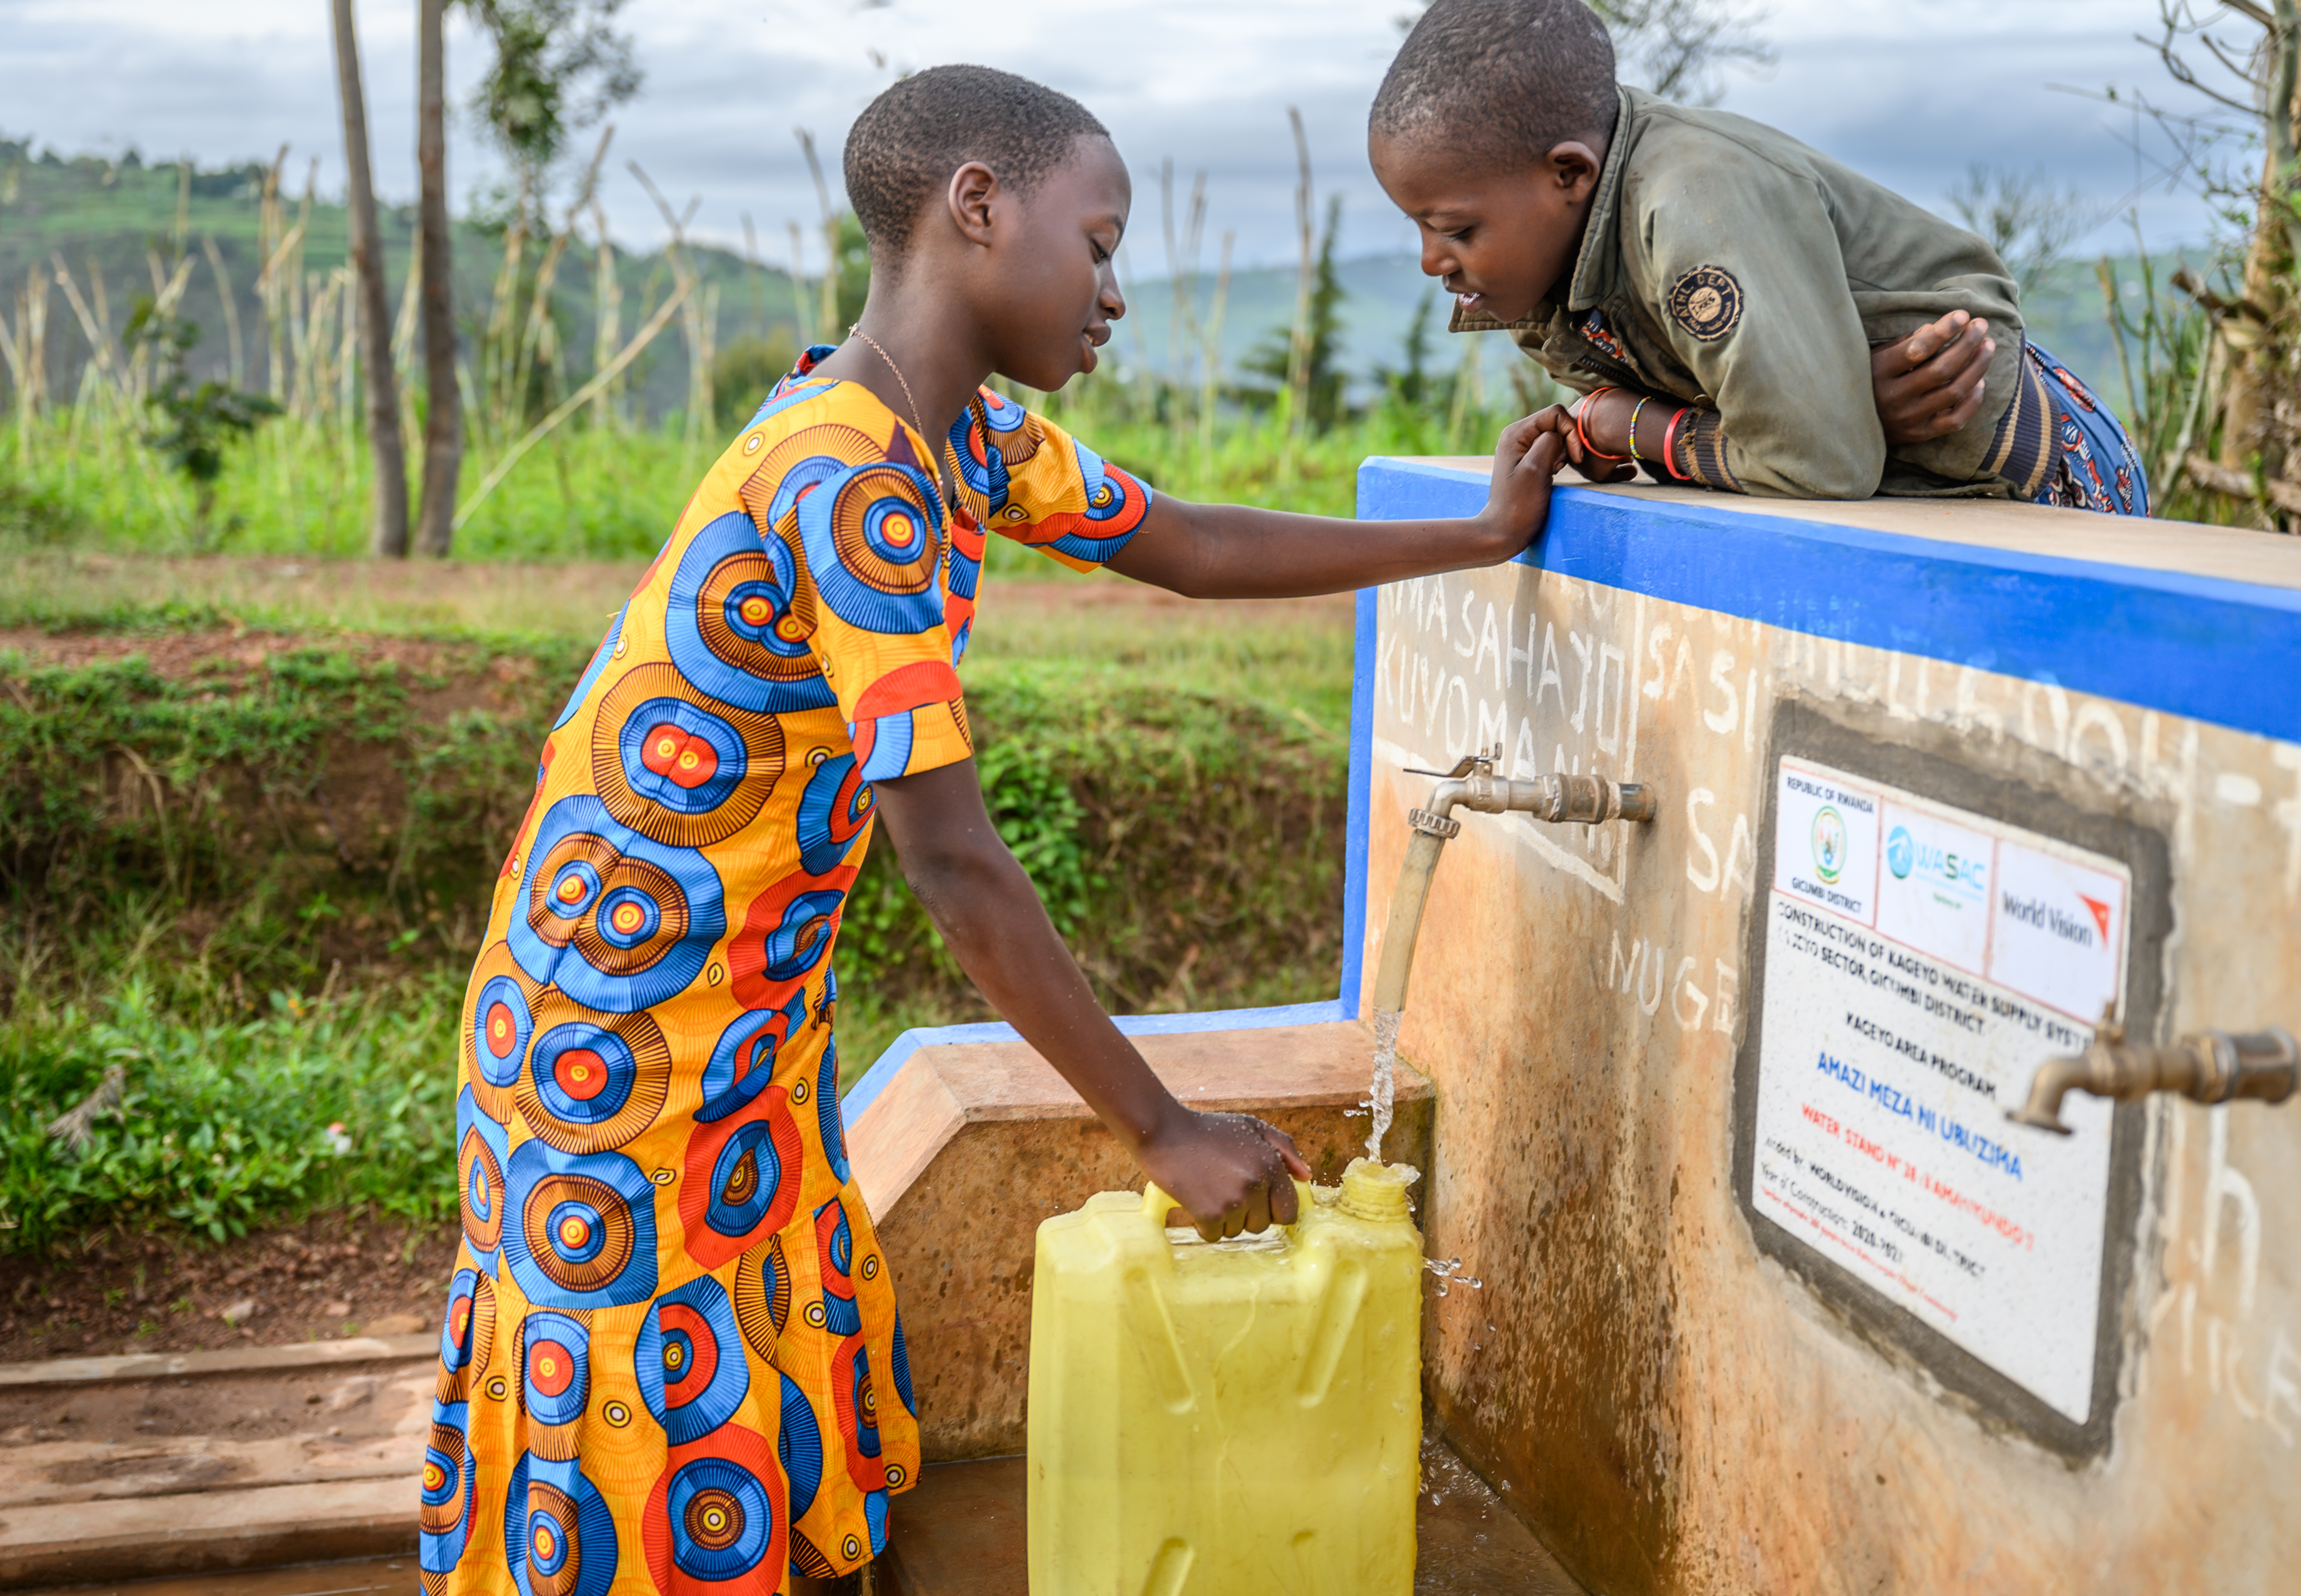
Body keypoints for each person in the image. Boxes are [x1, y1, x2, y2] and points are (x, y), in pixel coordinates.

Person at [417, 63, 1574, 1596]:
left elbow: (1187, 540)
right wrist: (1159, 1125)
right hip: (616, 1030)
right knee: (639, 1410)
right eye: (1096, 245)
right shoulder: (850, 479)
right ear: (977, 205)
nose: (1111, 292)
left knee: (742, 1369)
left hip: (733, 1009)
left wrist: (1478, 538)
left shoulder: (957, 436)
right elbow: (954, 859)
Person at [1367, 0, 2149, 515]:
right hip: (1911, 497)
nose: (1434, 260)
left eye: (1455, 230)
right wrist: (1834, 407)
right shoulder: (1547, 275)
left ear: (1568, 173)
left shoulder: (1691, 203)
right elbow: (1787, 431)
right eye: (1420, 229)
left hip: (2033, 478)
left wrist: (1629, 424)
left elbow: (1818, 463)